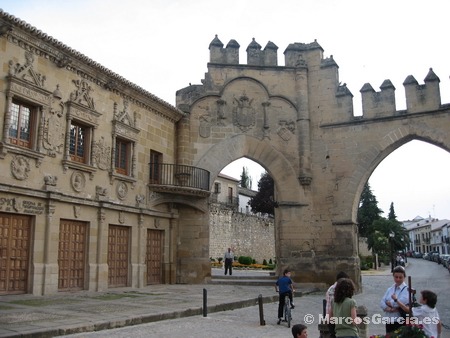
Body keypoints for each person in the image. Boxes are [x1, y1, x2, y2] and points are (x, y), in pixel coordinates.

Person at [379, 265, 409, 334]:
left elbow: (400, 302)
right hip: (389, 319)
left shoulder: (407, 290)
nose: (398, 279)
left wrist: (390, 303)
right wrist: (390, 309)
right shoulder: (390, 289)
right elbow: (382, 302)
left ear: (404, 277)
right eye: (396, 277)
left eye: (400, 277)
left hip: (399, 320)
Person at [325, 271, 349, 338]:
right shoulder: (337, 289)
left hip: (330, 318)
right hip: (337, 318)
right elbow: (336, 304)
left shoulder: (330, 288)